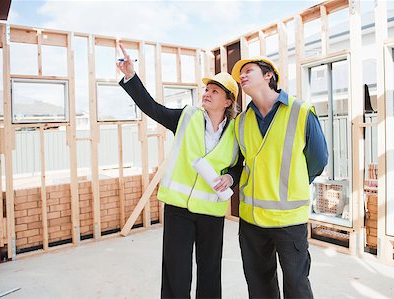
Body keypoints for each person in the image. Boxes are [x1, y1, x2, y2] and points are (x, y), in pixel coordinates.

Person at [117, 44, 241, 299]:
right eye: (207, 89)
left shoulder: (238, 131)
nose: (207, 93)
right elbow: (151, 107)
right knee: (176, 272)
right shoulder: (186, 117)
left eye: (215, 91)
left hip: (211, 212)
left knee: (210, 272)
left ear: (228, 101)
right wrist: (131, 75)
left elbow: (239, 165)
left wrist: (231, 177)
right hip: (179, 210)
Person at [230, 56, 328, 299]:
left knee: (296, 286)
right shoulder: (240, 122)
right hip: (252, 219)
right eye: (240, 74)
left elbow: (318, 160)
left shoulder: (300, 111)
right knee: (259, 286)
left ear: (268, 75)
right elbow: (240, 164)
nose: (242, 76)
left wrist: (293, 183)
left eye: (248, 70)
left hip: (289, 220)